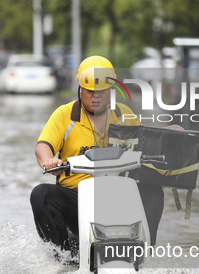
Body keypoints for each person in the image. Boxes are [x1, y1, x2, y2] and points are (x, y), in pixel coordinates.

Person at [30, 55, 182, 261]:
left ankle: (143, 255)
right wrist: (48, 160)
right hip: (77, 199)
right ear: (80, 89)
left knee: (153, 191)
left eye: (101, 91)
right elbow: (43, 146)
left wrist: (169, 133)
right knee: (41, 194)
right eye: (90, 91)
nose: (96, 97)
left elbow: (145, 141)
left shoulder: (123, 114)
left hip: (119, 197)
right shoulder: (64, 115)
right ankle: (62, 260)